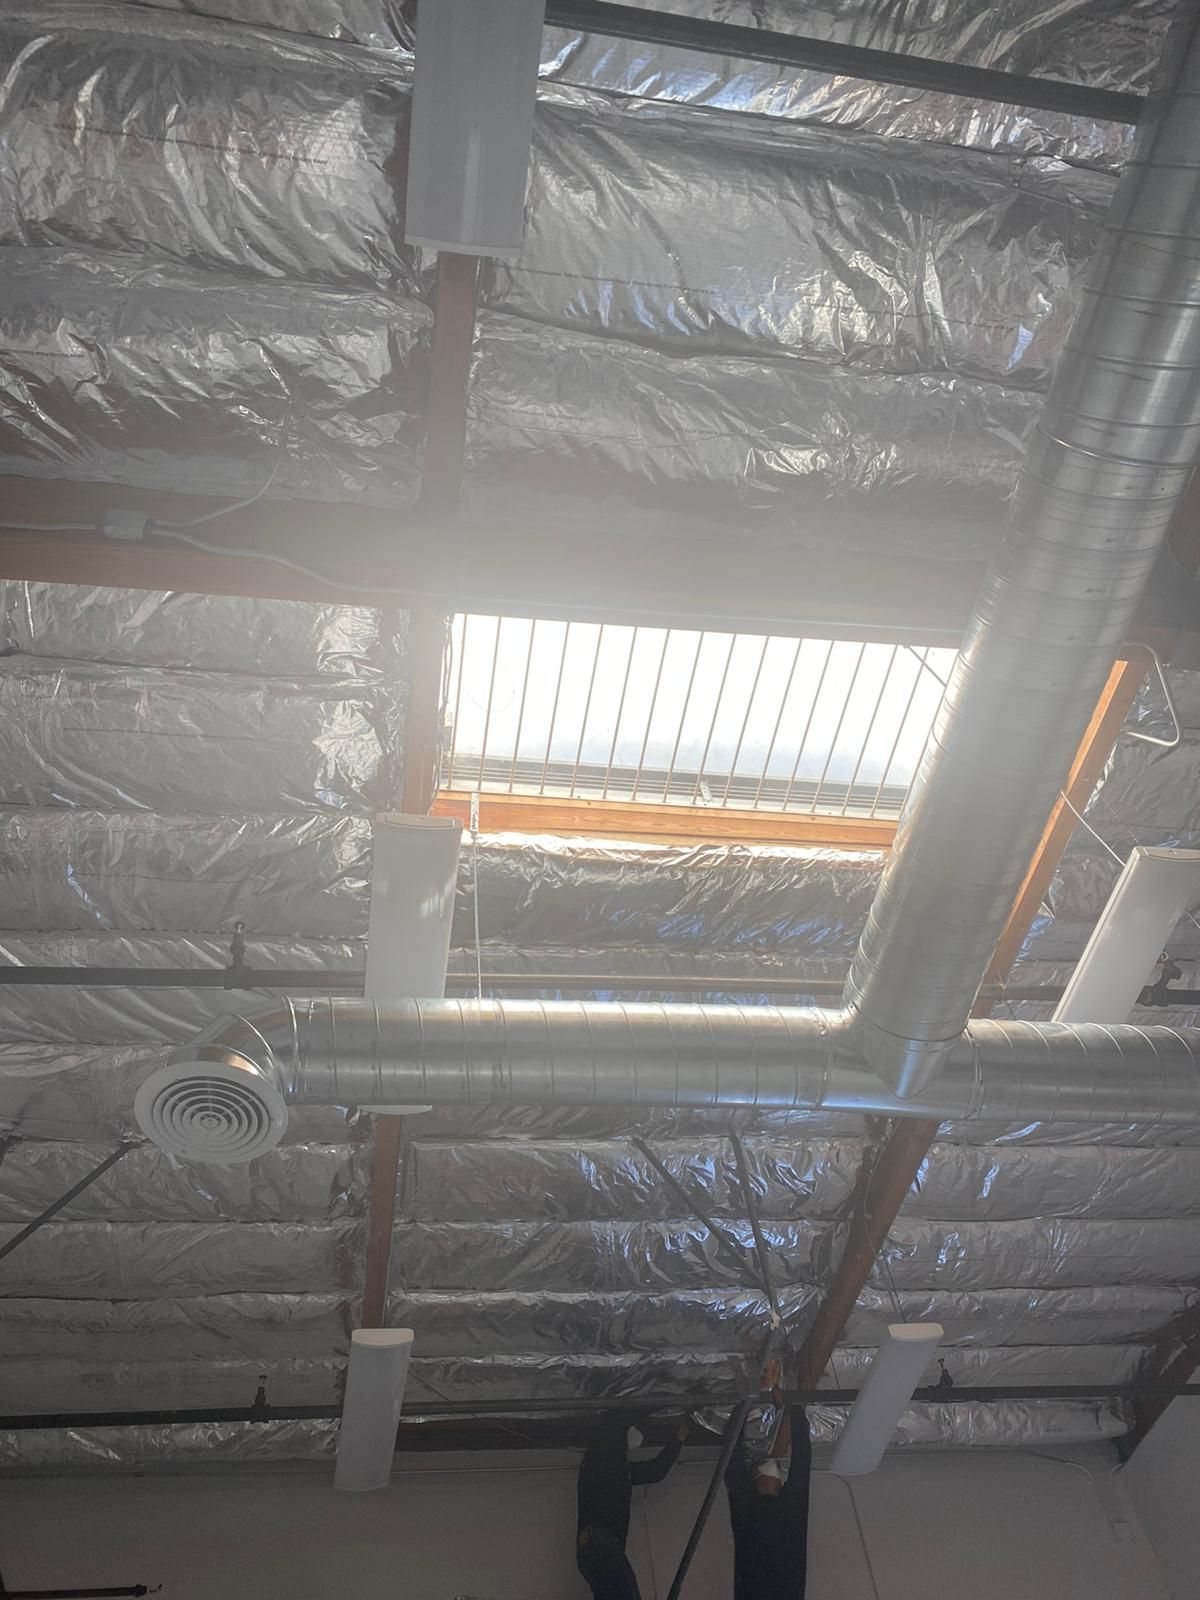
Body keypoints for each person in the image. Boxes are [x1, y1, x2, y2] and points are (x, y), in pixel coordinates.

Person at [576, 1414, 686, 1600]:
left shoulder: (600, 1463)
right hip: (599, 1543)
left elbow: (616, 1423)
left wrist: (650, 1406)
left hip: (598, 1541)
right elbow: (656, 1471)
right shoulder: (615, 1469)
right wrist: (680, 1436)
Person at [724, 1406, 812, 1600]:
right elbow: (802, 1463)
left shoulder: (746, 1506)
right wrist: (796, 1409)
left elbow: (731, 1463)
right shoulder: (792, 1509)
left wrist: (741, 1410)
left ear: (754, 1476)